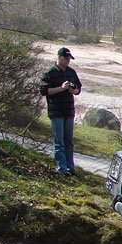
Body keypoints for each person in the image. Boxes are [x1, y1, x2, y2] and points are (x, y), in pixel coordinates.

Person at [40, 47, 82, 175]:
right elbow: (44, 91)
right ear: (59, 58)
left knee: (69, 141)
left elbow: (78, 89)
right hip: (56, 111)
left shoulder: (71, 72)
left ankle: (70, 167)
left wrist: (73, 91)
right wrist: (61, 88)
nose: (68, 61)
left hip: (69, 110)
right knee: (59, 142)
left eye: (69, 59)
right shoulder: (49, 73)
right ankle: (61, 169)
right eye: (66, 59)